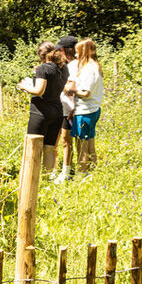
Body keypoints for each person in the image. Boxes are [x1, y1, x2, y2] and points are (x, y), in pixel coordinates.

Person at [18, 41, 67, 175]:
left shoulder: (43, 69)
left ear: (40, 55)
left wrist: (24, 87)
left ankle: (31, 178)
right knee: (49, 148)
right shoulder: (62, 69)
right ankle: (46, 179)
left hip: (40, 112)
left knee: (33, 146)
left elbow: (39, 91)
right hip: (57, 112)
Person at [69, 38, 103, 176]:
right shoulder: (96, 66)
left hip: (84, 111)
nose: (76, 55)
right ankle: (94, 174)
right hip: (93, 109)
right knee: (90, 145)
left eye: (78, 52)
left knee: (81, 148)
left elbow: (85, 93)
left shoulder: (88, 69)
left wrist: (72, 89)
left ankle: (81, 175)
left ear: (84, 52)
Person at [55, 36, 78, 182]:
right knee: (61, 140)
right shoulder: (67, 65)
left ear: (66, 50)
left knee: (67, 140)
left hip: (70, 108)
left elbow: (72, 87)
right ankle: (61, 170)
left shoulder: (75, 65)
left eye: (60, 50)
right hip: (63, 107)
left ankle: (67, 172)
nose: (59, 52)